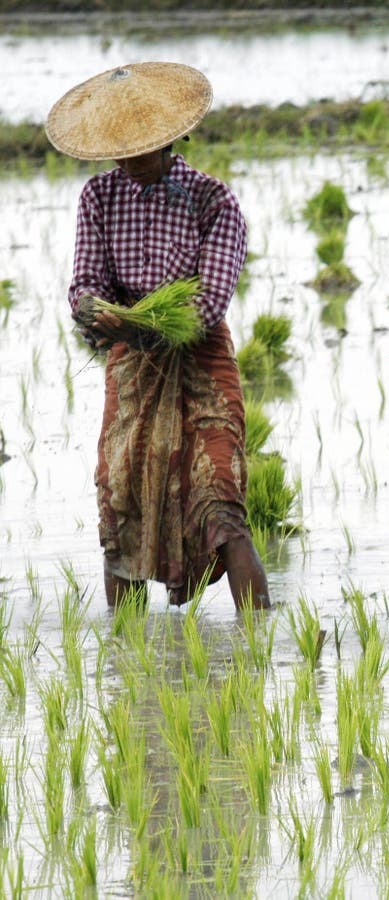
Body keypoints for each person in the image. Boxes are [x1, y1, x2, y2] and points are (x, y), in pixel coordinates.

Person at [47, 62, 269, 611]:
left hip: (200, 362)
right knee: (122, 497)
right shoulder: (99, 197)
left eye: (143, 146)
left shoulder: (213, 201)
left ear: (173, 138)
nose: (131, 158)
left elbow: (208, 304)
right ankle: (130, 658)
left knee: (221, 492)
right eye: (119, 147)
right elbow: (85, 284)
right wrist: (93, 312)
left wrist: (138, 323)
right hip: (131, 368)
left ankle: (262, 644)